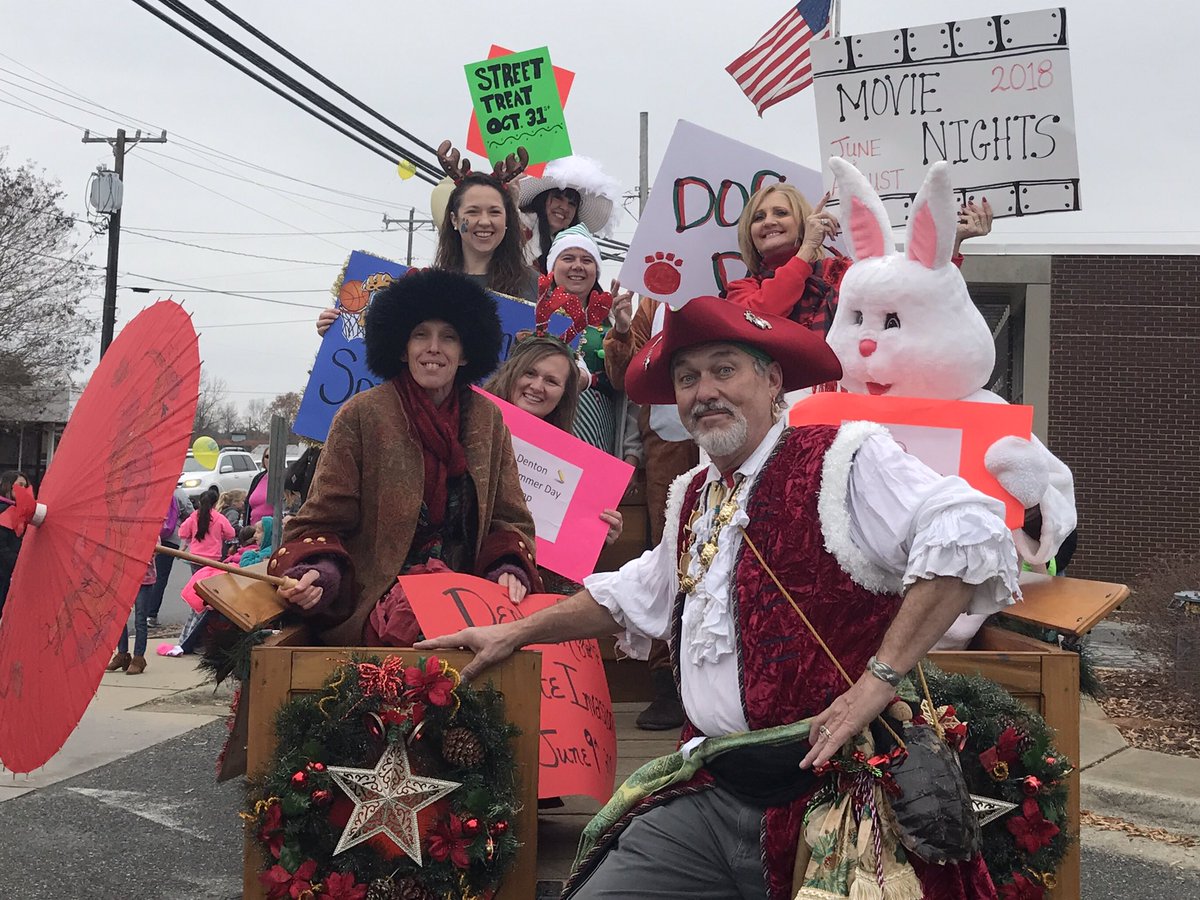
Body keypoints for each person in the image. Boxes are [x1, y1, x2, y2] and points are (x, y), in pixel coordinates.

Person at [418, 296, 1020, 899]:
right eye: (687, 378)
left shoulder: (843, 456)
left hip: (835, 797)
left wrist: (879, 679)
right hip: (713, 790)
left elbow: (965, 527)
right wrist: (512, 632)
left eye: (724, 369)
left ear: (773, 380)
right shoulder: (691, 496)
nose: (704, 391)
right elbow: (632, 595)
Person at [272, 269, 541, 646]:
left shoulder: (488, 419)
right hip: (380, 607)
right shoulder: (360, 414)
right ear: (401, 347)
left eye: (448, 337)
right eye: (420, 335)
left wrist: (508, 566)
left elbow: (509, 519)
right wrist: (321, 573)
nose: (434, 347)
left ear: (465, 353)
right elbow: (322, 520)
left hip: (469, 601)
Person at [604, 292, 699, 730]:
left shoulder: (741, 281)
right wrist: (622, 331)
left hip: (732, 428)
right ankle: (668, 679)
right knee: (670, 552)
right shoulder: (653, 298)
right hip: (668, 439)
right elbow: (627, 376)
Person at [725, 182, 992, 335]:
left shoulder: (843, 272)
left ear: (802, 219)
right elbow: (759, 318)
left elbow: (912, 295)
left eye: (780, 213)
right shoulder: (740, 290)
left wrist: (952, 241)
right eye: (758, 217)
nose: (769, 221)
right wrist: (806, 250)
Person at [482, 335, 623, 591]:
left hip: (523, 581)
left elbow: (558, 550)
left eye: (551, 381)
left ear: (564, 395)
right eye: (530, 373)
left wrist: (595, 532)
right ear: (511, 373)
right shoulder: (471, 422)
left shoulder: (569, 460)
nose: (537, 386)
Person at [534, 224, 635, 455]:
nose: (577, 266)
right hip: (545, 430)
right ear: (552, 267)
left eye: (587, 260)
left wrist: (622, 328)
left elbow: (627, 386)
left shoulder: (611, 320)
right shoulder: (535, 315)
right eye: (568, 258)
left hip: (600, 432)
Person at [515, 155, 622, 273]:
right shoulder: (518, 225)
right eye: (558, 198)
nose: (565, 207)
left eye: (572, 204)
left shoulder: (567, 249)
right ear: (542, 200)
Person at [145, 489, 191, 628]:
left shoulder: (151, 492)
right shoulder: (178, 494)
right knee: (161, 577)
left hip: (149, 536)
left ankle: (142, 612)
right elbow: (190, 513)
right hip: (171, 538)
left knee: (145, 574)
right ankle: (151, 614)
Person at [106, 557, 157, 675]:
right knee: (119, 617)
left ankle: (138, 658)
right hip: (123, 576)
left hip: (144, 580)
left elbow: (154, 549)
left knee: (140, 619)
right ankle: (122, 654)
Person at [179, 488, 235, 573]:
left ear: (199, 502)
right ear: (215, 503)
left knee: (196, 582)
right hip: (213, 558)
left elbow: (182, 533)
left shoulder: (193, 517)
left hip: (196, 557)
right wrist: (221, 536)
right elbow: (231, 534)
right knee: (209, 584)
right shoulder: (220, 518)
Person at [0, 470, 29, 619]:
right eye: (20, 485)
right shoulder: (4, 511)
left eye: (26, 486)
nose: (23, 489)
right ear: (8, 487)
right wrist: (18, 562)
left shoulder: (20, 512)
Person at [245, 449, 272, 526]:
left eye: (273, 456)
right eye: (267, 457)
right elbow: (247, 504)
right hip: (253, 529)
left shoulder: (284, 478)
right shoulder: (258, 478)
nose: (270, 459)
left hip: (271, 532)